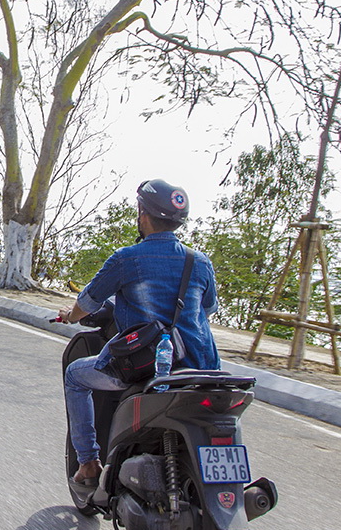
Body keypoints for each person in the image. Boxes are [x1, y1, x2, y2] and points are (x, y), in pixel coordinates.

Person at [55, 179, 220, 489]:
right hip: (201, 367)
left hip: (147, 366)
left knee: (76, 376)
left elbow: (87, 303)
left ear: (142, 215)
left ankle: (89, 463)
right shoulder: (198, 261)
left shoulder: (126, 259)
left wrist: (69, 316)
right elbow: (206, 311)